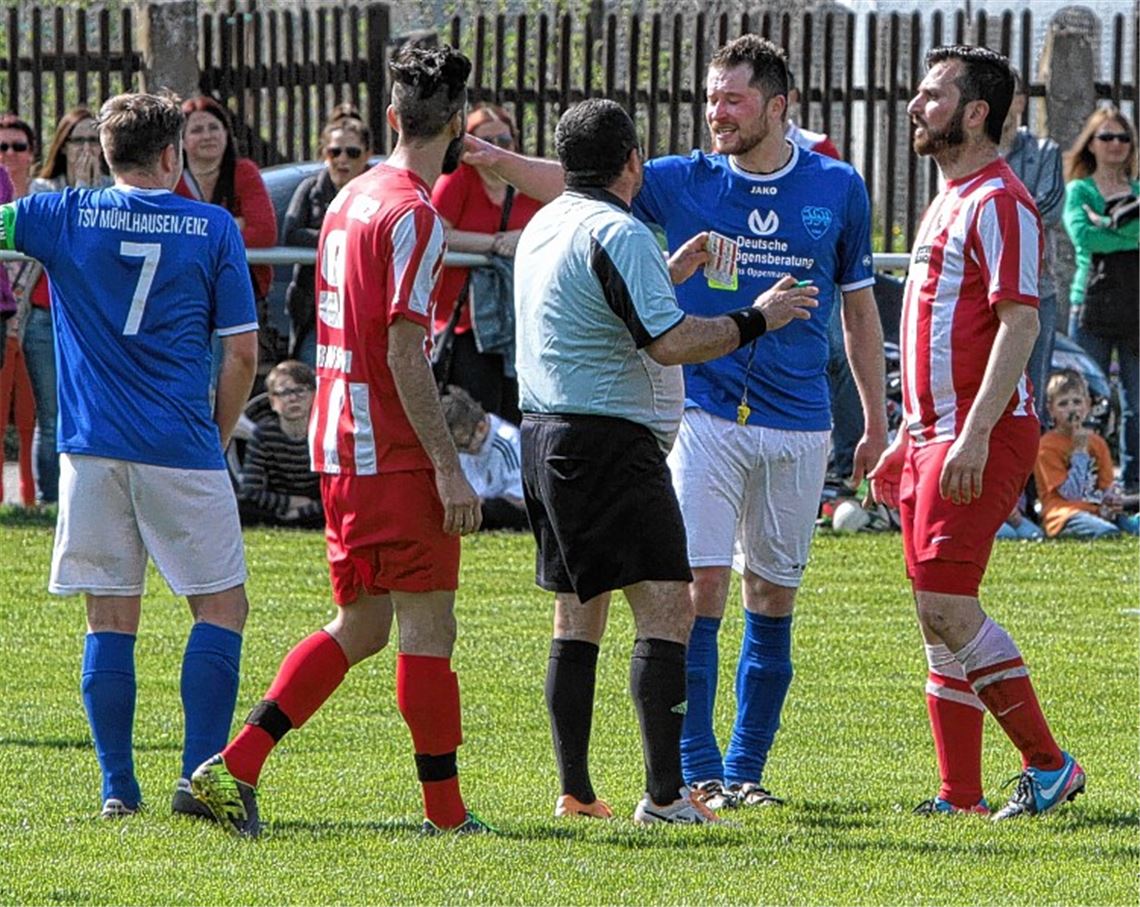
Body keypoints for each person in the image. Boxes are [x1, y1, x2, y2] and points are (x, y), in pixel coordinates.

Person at [463, 35, 887, 812]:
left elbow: (859, 309)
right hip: (705, 415)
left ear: (778, 105)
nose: (716, 113)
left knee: (773, 592)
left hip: (800, 423)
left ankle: (746, 769)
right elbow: (577, 180)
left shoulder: (839, 187)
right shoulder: (681, 179)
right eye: (710, 98)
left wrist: (875, 419)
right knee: (694, 590)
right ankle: (692, 773)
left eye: (732, 99)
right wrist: (492, 157)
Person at [191, 43, 490, 838]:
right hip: (389, 451)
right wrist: (448, 467)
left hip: (337, 441)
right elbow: (402, 351)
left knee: (360, 624)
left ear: (391, 117)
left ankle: (234, 766)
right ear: (458, 123)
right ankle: (448, 817)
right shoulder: (417, 214)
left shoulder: (351, 196)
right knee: (429, 629)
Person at [514, 97, 819, 824]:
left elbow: (603, 312)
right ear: (632, 164)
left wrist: (672, 266)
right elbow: (670, 342)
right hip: (609, 446)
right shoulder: (619, 230)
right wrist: (757, 318)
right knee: (666, 610)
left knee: (577, 613)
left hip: (545, 436)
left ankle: (578, 791)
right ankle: (666, 796)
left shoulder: (545, 222)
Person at [0, 90, 259, 818]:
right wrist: (216, 430)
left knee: (109, 618)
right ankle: (198, 776)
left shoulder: (61, 214)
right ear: (173, 155)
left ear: (105, 154)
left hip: (89, 449)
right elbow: (240, 352)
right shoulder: (210, 227)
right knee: (220, 605)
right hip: (181, 443)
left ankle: (118, 787)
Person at [869, 44, 1084, 821]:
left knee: (950, 605)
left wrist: (971, 433)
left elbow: (1019, 326)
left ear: (975, 113)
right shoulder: (949, 197)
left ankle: (1050, 764)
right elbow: (936, 336)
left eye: (932, 95)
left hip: (979, 437)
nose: (916, 106)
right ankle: (959, 794)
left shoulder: (1001, 200)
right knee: (934, 610)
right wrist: (909, 431)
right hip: (935, 435)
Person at [430, 104, 544, 424]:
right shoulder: (457, 180)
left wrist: (524, 236)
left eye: (504, 140)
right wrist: (494, 244)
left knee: (515, 419)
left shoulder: (529, 179)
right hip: (467, 326)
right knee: (476, 420)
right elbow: (437, 231)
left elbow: (560, 219)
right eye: (484, 141)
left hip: (520, 325)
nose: (495, 149)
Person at [23, 108, 112, 506]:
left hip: (97, 320)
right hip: (45, 316)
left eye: (94, 140)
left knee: (95, 408)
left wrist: (96, 193)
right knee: (53, 411)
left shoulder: (115, 190)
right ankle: (49, 498)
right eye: (78, 140)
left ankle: (89, 499)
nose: (86, 149)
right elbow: (57, 241)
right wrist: (78, 193)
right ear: (62, 144)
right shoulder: (43, 191)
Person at [1062, 105, 1138, 493]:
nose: (1116, 145)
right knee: (1083, 398)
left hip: (1135, 309)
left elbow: (1103, 234)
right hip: (1089, 306)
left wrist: (1106, 223)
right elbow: (1084, 238)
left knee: (1135, 405)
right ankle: (1080, 479)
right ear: (1091, 143)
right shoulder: (1080, 191)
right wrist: (1123, 227)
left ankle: (1132, 482)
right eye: (1107, 137)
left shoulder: (1138, 189)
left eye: (1123, 137)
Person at [176, 97, 278, 383]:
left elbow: (264, 233)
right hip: (186, 296)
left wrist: (198, 231)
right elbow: (170, 237)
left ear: (226, 133)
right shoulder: (171, 179)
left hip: (239, 289)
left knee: (228, 374)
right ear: (181, 141)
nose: (207, 135)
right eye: (197, 130)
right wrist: (230, 226)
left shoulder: (244, 172)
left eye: (214, 127)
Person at [282, 110, 371, 367]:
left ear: (367, 154)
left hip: (363, 308)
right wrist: (345, 240)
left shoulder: (378, 192)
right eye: (335, 152)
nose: (342, 159)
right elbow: (291, 233)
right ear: (325, 154)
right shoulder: (311, 190)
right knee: (311, 379)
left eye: (352, 152)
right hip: (315, 310)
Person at [999, 68, 1064, 420]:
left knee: (1031, 398)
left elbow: (1047, 212)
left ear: (1021, 102)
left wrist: (992, 220)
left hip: (1035, 290)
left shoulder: (1045, 151)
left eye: (1006, 93)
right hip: (982, 292)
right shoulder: (969, 154)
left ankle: (1026, 476)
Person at [1035, 369, 1138, 538]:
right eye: (1063, 404)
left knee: (1131, 527)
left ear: (1087, 405)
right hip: (1064, 514)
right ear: (1051, 410)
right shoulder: (1046, 446)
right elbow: (1070, 494)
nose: (1071, 409)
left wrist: (1111, 500)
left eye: (1077, 402)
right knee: (1107, 533)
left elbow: (1106, 485)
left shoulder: (1097, 442)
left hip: (1097, 511)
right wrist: (1080, 453)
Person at [237, 359, 323, 529]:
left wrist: (303, 511)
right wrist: (291, 502)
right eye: (284, 393)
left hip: (318, 505)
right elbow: (249, 491)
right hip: (279, 504)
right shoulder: (263, 434)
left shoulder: (323, 432)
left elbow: (336, 493)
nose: (293, 398)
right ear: (272, 401)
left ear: (313, 395)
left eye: (300, 391)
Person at [440, 384, 528, 531]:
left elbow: (522, 500)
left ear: (481, 428)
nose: (462, 453)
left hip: (507, 507)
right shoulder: (464, 447)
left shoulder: (507, 441)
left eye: (464, 445)